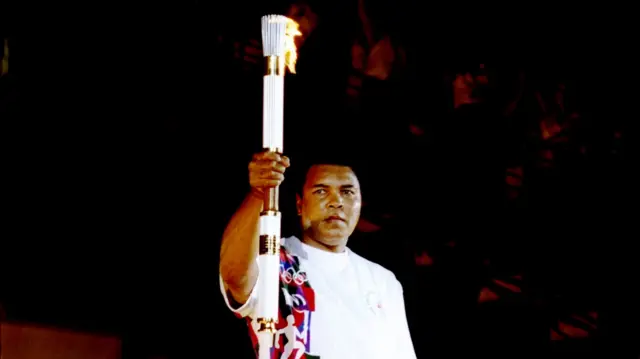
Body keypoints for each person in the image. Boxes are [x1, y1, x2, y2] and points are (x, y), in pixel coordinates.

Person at [219, 151, 416, 359]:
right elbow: (236, 278)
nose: (336, 202)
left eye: (347, 192)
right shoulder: (274, 261)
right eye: (321, 191)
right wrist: (259, 193)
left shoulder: (383, 280)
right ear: (299, 204)